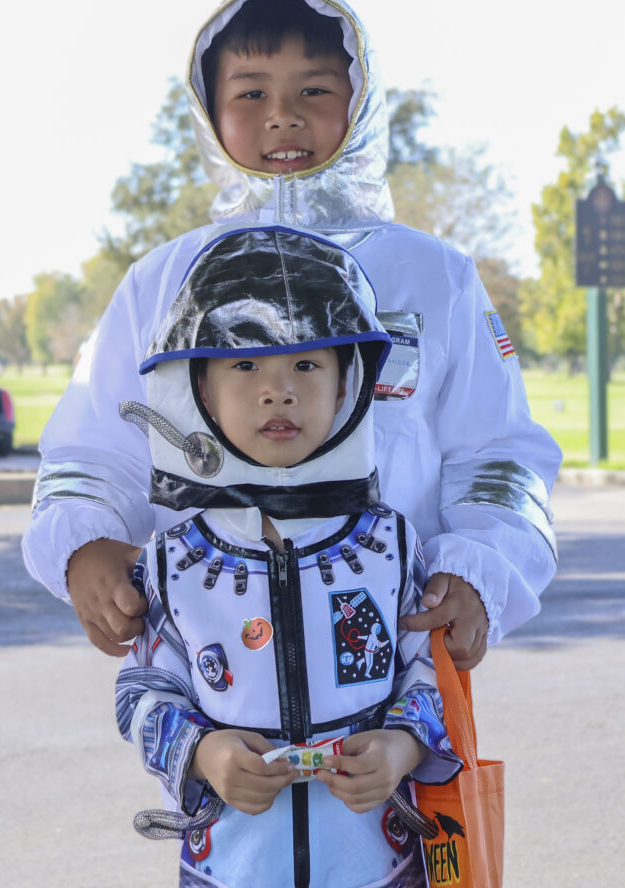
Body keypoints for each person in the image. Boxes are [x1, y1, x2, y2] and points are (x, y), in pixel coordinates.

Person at [22, 0, 561, 670]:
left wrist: (481, 569)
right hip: (206, 674)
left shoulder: (434, 278)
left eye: (314, 89)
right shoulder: (158, 284)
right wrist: (80, 543)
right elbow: (92, 451)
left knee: (394, 783)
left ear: (360, 102)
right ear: (207, 111)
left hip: (394, 669)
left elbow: (498, 456)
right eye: (250, 93)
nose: (283, 114)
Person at [115, 226, 461, 888]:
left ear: (348, 386)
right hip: (230, 868)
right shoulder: (173, 561)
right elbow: (144, 692)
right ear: (201, 392)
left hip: (375, 864)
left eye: (306, 364)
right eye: (244, 365)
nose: (278, 391)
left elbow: (429, 674)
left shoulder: (390, 546)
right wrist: (203, 752)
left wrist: (401, 745)